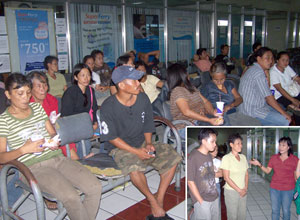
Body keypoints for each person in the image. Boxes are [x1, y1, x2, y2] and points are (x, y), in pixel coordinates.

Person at [0, 73, 102, 220]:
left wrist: (53, 141)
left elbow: (52, 133)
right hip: (31, 167)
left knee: (94, 187)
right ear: (8, 94)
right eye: (20, 93)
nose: (25, 98)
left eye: (28, 93)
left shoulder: (37, 108)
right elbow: (1, 156)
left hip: (56, 158)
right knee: (71, 196)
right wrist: (24, 149)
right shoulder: (3, 121)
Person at [100, 65, 181, 220]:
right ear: (122, 85)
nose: (139, 83)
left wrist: (149, 142)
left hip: (142, 141)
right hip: (120, 147)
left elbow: (148, 123)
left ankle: (159, 200)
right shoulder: (108, 107)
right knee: (135, 167)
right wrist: (136, 152)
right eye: (135, 81)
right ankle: (152, 200)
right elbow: (111, 138)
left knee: (173, 157)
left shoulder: (142, 98)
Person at [27, 71, 79, 161]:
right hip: (34, 135)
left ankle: (76, 162)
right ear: (30, 88)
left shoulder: (51, 100)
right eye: (38, 86)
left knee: (64, 136)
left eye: (45, 85)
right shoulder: (26, 104)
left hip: (52, 132)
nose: (43, 89)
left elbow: (54, 120)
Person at [167, 63, 225, 137]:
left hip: (198, 121)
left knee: (222, 121)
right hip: (184, 126)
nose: (187, 74)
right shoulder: (177, 90)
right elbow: (186, 112)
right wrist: (208, 120)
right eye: (186, 72)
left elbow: (205, 101)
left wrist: (213, 112)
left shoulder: (191, 88)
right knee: (210, 134)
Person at [238, 47, 291, 126]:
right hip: (251, 110)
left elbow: (266, 90)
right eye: (267, 58)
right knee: (285, 120)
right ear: (259, 59)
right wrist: (284, 114)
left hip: (255, 105)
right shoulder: (258, 72)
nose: (270, 61)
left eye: (272, 58)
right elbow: (269, 97)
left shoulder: (255, 69)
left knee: (281, 109)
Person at [250, 137, 298, 220]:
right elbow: (268, 171)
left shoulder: (295, 159)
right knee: (275, 210)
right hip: (274, 188)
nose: (280, 147)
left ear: (288, 147)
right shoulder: (274, 158)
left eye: (283, 145)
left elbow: (296, 175)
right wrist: (259, 164)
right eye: (279, 145)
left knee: (286, 210)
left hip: (288, 189)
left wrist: (297, 188)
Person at [61, 63, 98, 159]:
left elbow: (93, 108)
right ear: (76, 77)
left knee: (106, 129)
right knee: (84, 138)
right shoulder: (70, 92)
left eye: (88, 75)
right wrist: (84, 126)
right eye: (82, 75)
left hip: (87, 124)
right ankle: (83, 160)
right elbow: (66, 115)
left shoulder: (90, 90)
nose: (86, 78)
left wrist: (94, 122)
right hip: (73, 126)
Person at [187, 128, 219, 220]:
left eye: (215, 141)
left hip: (214, 196)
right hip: (202, 199)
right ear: (204, 141)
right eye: (212, 142)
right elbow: (190, 182)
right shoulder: (193, 157)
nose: (215, 144)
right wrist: (200, 201)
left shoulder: (209, 155)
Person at [220, 133, 248, 220]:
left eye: (241, 143)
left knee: (242, 215)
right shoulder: (226, 158)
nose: (241, 145)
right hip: (231, 192)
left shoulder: (243, 157)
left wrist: (245, 188)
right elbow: (226, 178)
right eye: (238, 143)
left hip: (243, 190)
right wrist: (239, 190)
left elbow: (246, 174)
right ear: (231, 145)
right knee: (233, 216)